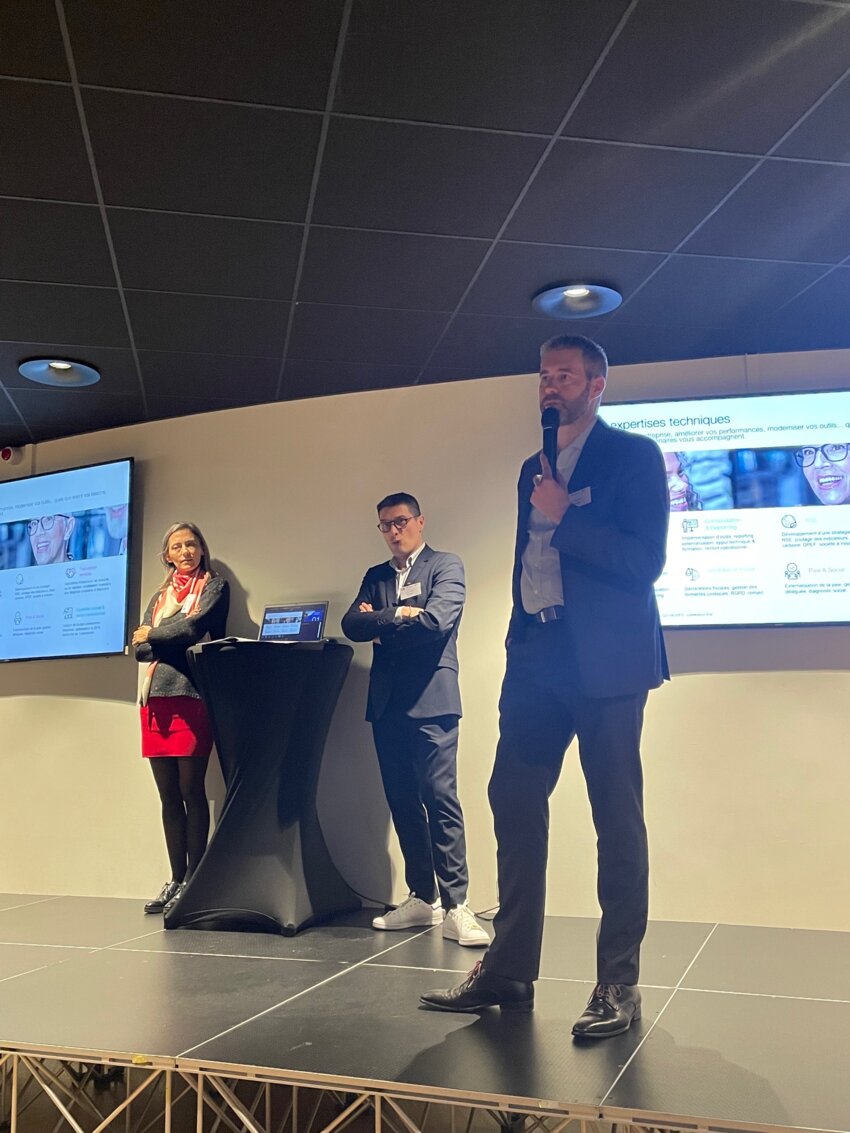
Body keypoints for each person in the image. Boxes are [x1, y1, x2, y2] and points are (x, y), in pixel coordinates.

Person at [421, 334, 669, 1038]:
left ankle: (618, 982)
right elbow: (528, 561)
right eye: (544, 375)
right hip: (537, 655)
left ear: (596, 385)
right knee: (512, 797)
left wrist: (568, 515)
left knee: (615, 816)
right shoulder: (533, 466)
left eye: (564, 374)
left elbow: (645, 561)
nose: (550, 385)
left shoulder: (634, 455)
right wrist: (517, 639)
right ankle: (509, 969)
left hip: (609, 664)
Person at [341, 493, 488, 947]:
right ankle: (423, 897)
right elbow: (352, 625)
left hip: (433, 700)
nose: (393, 531)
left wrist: (382, 629)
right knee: (402, 801)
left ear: (420, 521)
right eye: (385, 525)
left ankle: (457, 905)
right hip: (387, 704)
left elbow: (438, 623)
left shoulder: (446, 565)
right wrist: (398, 614)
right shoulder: (376, 576)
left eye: (401, 521)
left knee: (440, 799)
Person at [132, 522, 229, 914]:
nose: (185, 551)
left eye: (191, 544)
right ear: (167, 555)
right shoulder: (160, 596)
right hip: (155, 700)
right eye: (177, 546)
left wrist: (153, 635)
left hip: (193, 696)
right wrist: (161, 638)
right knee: (168, 795)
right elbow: (139, 651)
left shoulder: (214, 586)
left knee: (192, 790)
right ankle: (175, 879)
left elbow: (192, 629)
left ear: (202, 549)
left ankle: (193, 881)